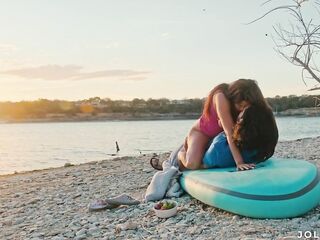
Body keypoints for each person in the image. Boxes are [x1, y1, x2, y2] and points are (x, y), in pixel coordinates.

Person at [177, 79, 272, 171]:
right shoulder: (221, 96)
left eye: (245, 107)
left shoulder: (250, 103)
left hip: (219, 137)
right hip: (202, 132)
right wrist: (239, 162)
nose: (242, 110)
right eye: (240, 106)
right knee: (192, 164)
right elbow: (229, 133)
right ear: (233, 98)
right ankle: (181, 152)